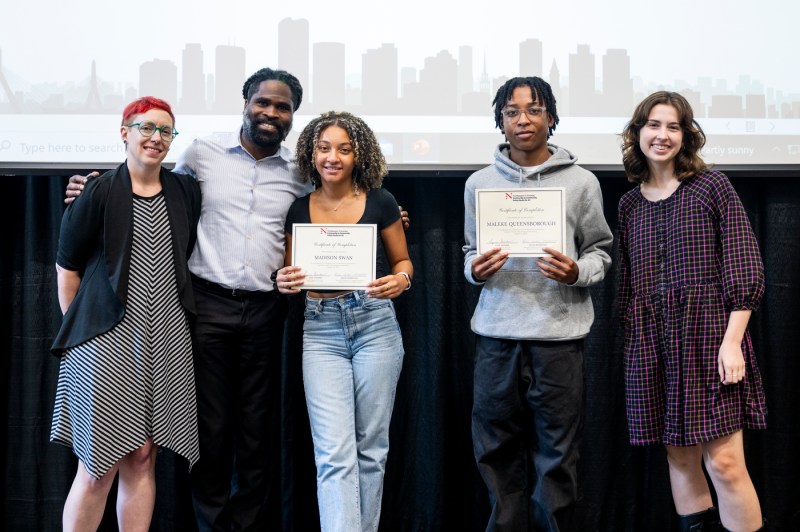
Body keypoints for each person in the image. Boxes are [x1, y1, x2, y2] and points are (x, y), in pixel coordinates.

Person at [65, 68, 409, 531]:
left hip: (268, 310)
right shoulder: (200, 154)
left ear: (291, 117)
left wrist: (388, 215)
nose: (271, 112)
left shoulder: (299, 172)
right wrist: (90, 189)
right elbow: (147, 182)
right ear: (245, 103)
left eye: (282, 107)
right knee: (209, 431)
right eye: (263, 102)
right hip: (204, 307)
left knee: (255, 433)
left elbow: (340, 205)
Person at [463, 77, 613, 532]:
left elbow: (600, 252)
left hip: (558, 338)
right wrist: (476, 270)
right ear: (500, 120)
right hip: (497, 336)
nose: (522, 119)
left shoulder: (582, 182)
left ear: (550, 116)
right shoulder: (479, 183)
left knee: (558, 454)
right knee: (494, 451)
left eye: (533, 109)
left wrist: (578, 272)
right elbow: (470, 253)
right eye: (512, 111)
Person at [617, 91, 767, 532]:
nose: (662, 135)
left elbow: (745, 265)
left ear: (686, 135)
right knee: (679, 458)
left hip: (711, 339)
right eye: (653, 125)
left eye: (673, 127)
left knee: (724, 464)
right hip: (651, 343)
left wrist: (732, 344)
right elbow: (629, 288)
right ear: (638, 132)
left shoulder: (711, 186)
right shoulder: (628, 205)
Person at [50, 96, 202, 531]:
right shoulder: (97, 190)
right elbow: (67, 268)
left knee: (142, 457)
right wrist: (82, 334)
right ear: (125, 133)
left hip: (167, 340)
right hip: (104, 343)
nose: (156, 138)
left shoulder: (185, 191)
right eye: (146, 128)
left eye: (166, 131)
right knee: (98, 463)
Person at [275, 111, 412, 532]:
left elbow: (403, 262)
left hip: (374, 323)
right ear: (311, 154)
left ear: (359, 155)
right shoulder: (298, 208)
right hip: (320, 331)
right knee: (333, 454)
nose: (332, 157)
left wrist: (401, 280)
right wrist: (283, 279)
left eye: (344, 149)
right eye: (323, 148)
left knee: (372, 450)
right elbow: (291, 274)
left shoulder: (381, 201)